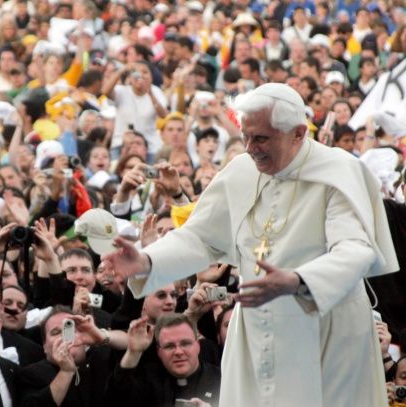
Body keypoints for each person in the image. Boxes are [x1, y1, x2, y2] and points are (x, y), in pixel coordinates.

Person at [103, 83, 398, 406]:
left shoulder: (338, 172)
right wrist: (146, 261)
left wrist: (299, 280)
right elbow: (198, 238)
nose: (250, 148)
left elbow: (355, 249)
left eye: (261, 138)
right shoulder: (241, 171)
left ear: (298, 133)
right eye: (245, 136)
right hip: (257, 328)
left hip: (324, 328)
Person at [106, 314, 221, 406]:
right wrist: (133, 352)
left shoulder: (221, 380)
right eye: (169, 346)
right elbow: (115, 399)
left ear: (198, 346)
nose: (178, 352)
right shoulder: (148, 380)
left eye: (185, 344)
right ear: (159, 352)